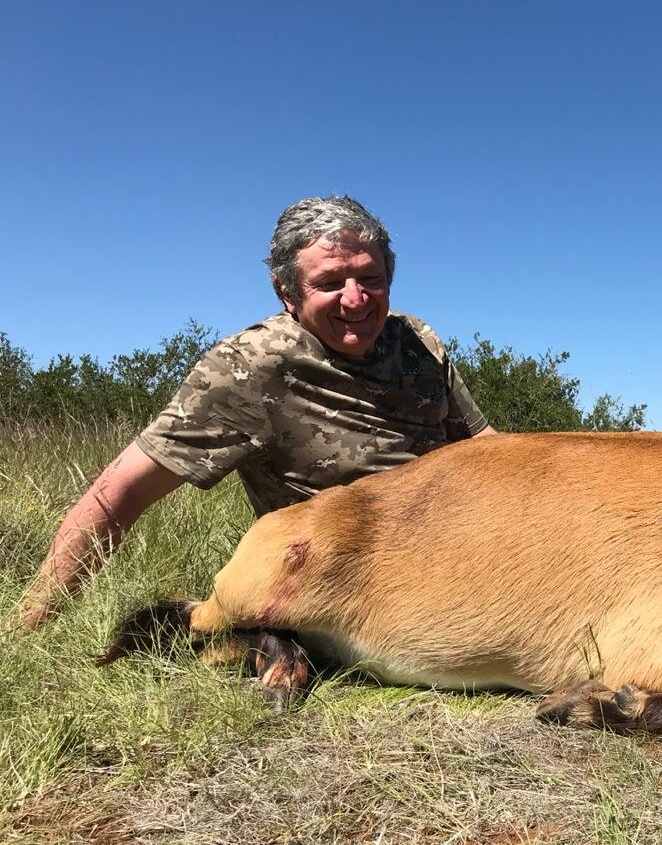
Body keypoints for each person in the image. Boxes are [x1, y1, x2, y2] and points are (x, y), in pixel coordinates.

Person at [15, 195, 494, 631]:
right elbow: (122, 489)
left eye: (370, 278)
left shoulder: (418, 341)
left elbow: (487, 449)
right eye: (329, 283)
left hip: (457, 548)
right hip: (346, 568)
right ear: (287, 293)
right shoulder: (248, 366)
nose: (356, 298)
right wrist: (33, 621)